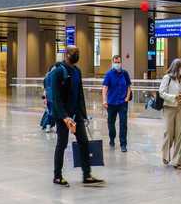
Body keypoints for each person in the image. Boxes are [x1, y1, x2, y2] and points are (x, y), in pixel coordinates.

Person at [49, 45, 104, 187]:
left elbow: (79, 95)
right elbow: (56, 98)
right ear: (66, 54)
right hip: (63, 115)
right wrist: (65, 117)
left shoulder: (77, 71)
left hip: (76, 114)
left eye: (78, 52)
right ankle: (57, 176)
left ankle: (87, 175)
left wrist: (83, 115)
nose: (76, 55)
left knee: (84, 142)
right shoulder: (58, 72)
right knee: (62, 143)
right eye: (74, 53)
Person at [159, 58, 181, 170]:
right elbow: (161, 92)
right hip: (169, 108)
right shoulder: (167, 78)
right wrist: (174, 97)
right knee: (168, 133)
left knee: (180, 135)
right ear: (176, 68)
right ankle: (166, 156)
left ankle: (177, 161)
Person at [102, 54, 132, 152]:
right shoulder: (109, 74)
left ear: (121, 62)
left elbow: (128, 86)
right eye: (115, 62)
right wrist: (104, 100)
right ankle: (112, 139)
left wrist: (127, 98)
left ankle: (123, 144)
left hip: (122, 103)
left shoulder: (125, 73)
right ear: (112, 62)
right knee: (111, 123)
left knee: (123, 123)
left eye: (119, 62)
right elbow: (105, 88)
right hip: (111, 103)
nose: (117, 64)